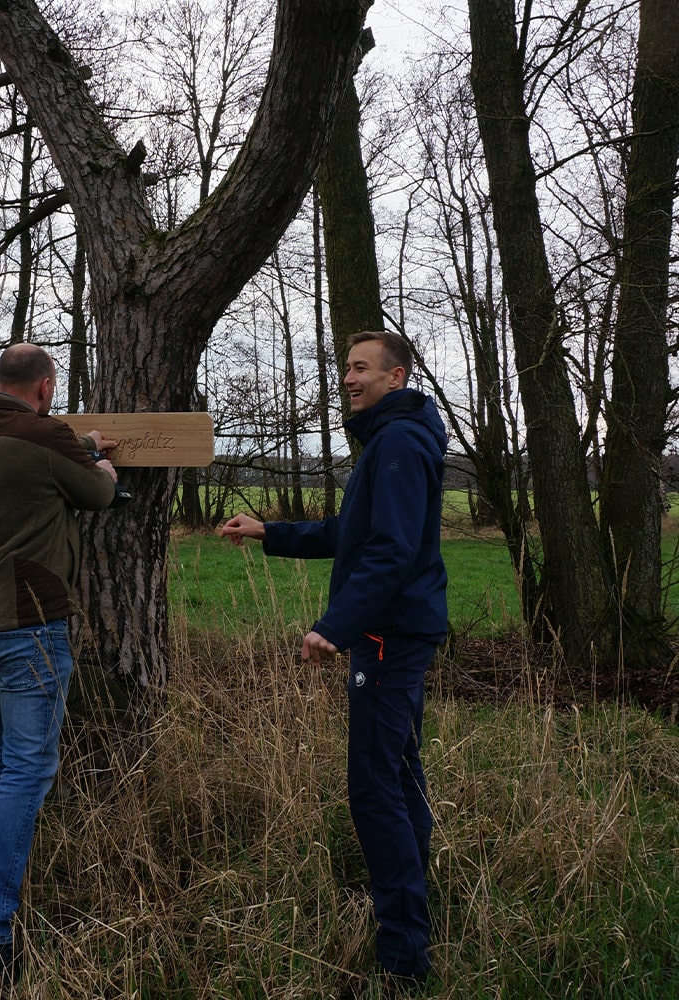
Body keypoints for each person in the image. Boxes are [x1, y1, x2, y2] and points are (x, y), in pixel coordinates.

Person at [221, 330, 447, 992]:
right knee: (399, 775)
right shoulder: (391, 438)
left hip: (384, 635)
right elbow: (353, 535)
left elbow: (393, 550)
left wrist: (335, 626)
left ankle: (402, 956)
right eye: (346, 368)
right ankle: (413, 913)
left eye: (361, 368)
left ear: (395, 376)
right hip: (395, 631)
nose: (348, 378)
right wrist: (271, 531)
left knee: (375, 788)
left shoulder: (400, 442)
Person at [0, 343, 119, 997]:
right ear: (44, 387)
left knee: (0, 761)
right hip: (31, 623)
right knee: (28, 770)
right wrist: (95, 449)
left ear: (2, 384)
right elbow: (99, 493)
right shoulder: (45, 435)